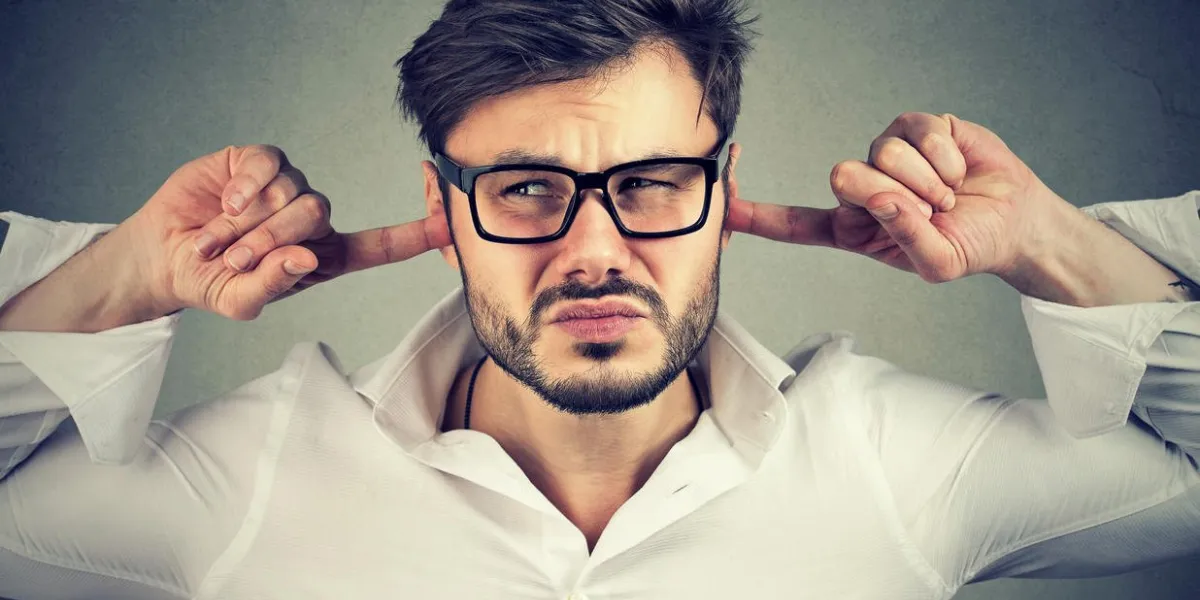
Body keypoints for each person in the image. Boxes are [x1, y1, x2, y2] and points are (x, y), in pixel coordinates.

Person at [1, 0, 1198, 598]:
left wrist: (1050, 242)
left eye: (652, 182)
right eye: (525, 188)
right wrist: (123, 275)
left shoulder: (895, 461)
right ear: (442, 206)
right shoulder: (254, 475)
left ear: (723, 187)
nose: (593, 251)